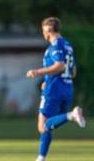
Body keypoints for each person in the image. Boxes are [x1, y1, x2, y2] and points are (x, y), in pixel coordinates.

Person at [26, 17, 86, 161]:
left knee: (43, 125)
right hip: (67, 87)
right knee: (50, 123)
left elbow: (59, 65)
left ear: (48, 30)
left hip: (55, 89)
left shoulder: (56, 46)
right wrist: (47, 80)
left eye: (43, 30)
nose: (43, 34)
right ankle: (41, 158)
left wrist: (38, 72)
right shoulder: (68, 45)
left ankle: (72, 115)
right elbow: (73, 72)